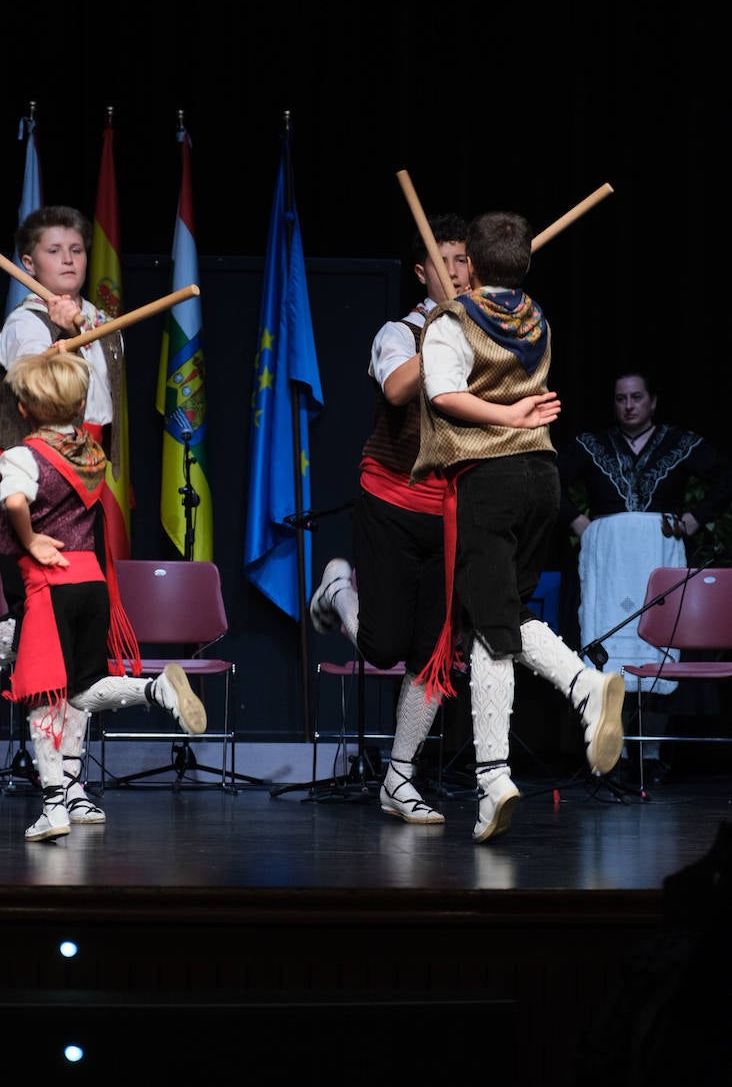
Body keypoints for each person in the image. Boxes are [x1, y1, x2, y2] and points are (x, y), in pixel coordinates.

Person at [0, 205, 159, 824]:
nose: (70, 260)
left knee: (79, 640)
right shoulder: (23, 325)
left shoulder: (98, 318)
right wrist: (63, 332)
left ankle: (71, 781)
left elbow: (108, 375)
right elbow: (35, 381)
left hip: (83, 480)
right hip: (30, 481)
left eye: (77, 250)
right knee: (37, 629)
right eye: (55, 251)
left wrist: (88, 325)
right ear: (29, 263)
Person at [412, 210, 626, 843]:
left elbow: (445, 395)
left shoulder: (452, 321)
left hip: (493, 478)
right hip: (542, 475)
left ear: (470, 266)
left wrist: (503, 412)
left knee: (492, 624)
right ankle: (495, 777)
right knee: (498, 622)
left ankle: (579, 694)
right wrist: (521, 412)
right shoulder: (536, 316)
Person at [0, 347, 206, 840]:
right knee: (83, 690)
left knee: (45, 697)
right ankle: (157, 689)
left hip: (50, 586)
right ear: (81, 406)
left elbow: (15, 499)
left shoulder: (23, 455)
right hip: (92, 584)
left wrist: (30, 538)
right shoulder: (91, 452)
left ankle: (54, 807)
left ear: (23, 409)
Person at [309, 215, 471, 825]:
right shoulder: (398, 332)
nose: (455, 271)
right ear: (423, 273)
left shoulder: (479, 335)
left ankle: (398, 779)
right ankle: (337, 585)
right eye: (443, 262)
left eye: (463, 261)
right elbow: (402, 388)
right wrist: (446, 336)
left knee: (432, 654)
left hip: (449, 508)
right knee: (381, 648)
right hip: (391, 501)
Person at [557, 368, 732, 781]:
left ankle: (650, 754)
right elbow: (550, 479)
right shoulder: (594, 444)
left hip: (659, 554)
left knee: (659, 650)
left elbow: (726, 476)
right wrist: (577, 521)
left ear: (653, 400)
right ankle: (608, 754)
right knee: (609, 649)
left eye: (637, 397)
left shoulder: (678, 442)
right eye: (621, 398)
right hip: (609, 559)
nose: (629, 406)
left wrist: (695, 519)